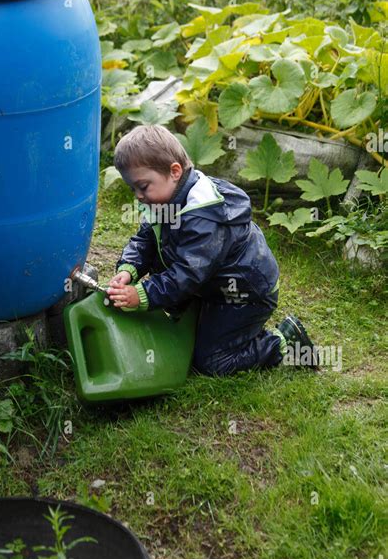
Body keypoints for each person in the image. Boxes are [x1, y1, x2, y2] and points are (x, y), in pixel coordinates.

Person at [106, 124, 319, 375]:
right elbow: (144, 240)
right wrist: (128, 269)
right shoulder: (167, 199)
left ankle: (283, 343)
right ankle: (213, 323)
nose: (138, 197)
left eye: (143, 187)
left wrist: (142, 295)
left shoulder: (205, 217)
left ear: (174, 171)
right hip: (212, 285)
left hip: (243, 295)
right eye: (133, 189)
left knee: (211, 361)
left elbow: (188, 274)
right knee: (184, 331)